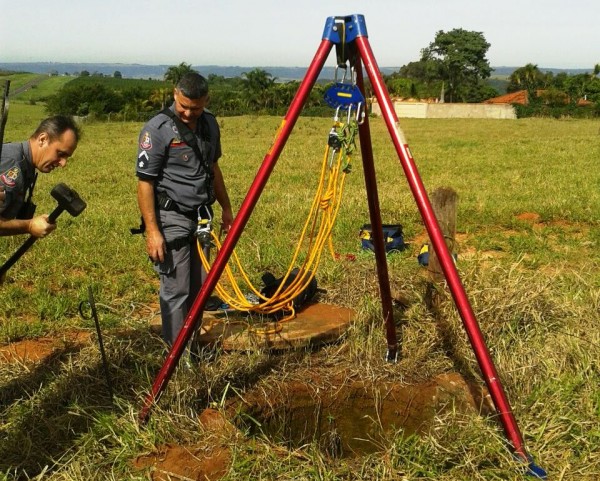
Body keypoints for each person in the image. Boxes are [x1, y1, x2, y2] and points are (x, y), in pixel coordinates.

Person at [136, 72, 233, 348]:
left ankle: (191, 344)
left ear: (206, 101)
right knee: (176, 288)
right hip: (171, 217)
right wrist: (153, 232)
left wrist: (226, 209)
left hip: (202, 216)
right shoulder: (156, 130)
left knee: (201, 286)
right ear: (174, 94)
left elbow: (213, 168)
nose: (189, 113)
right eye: (184, 107)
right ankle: (174, 355)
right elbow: (145, 183)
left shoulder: (211, 124)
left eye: (196, 108)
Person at [0, 115, 80, 238]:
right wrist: (29, 226)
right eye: (60, 154)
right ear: (42, 139)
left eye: (66, 157)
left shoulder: (25, 161)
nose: (63, 163)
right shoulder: (13, 165)